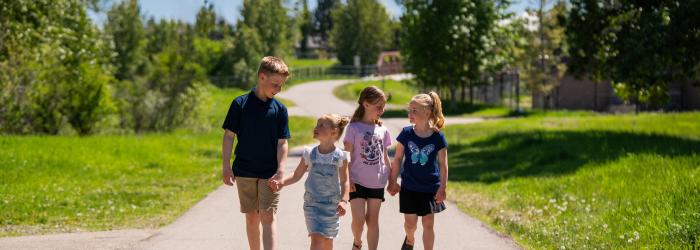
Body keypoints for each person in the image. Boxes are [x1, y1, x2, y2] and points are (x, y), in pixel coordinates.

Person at [221, 56, 290, 250]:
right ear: (261, 77)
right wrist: (226, 166)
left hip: (270, 172)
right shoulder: (239, 104)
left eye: (282, 85)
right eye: (275, 84)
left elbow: (282, 143)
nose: (278, 89)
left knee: (268, 215)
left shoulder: (280, 110)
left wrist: (281, 170)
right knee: (252, 217)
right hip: (244, 170)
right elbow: (228, 137)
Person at [275, 114, 351, 250]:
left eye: (321, 125)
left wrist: (344, 201)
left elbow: (345, 181)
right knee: (316, 238)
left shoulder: (340, 156)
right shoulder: (309, 154)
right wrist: (282, 182)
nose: (316, 127)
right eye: (317, 124)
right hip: (312, 205)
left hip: (331, 206)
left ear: (334, 131)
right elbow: (296, 174)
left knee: (327, 241)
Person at [388, 92, 448, 250]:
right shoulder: (406, 133)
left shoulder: (437, 137)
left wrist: (442, 187)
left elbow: (443, 163)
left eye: (415, 110)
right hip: (409, 186)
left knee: (428, 224)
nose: (410, 114)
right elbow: (398, 159)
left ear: (427, 112)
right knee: (410, 224)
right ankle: (410, 240)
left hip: (430, 187)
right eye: (409, 110)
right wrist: (392, 181)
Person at [343, 86, 392, 250]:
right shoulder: (353, 128)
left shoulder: (383, 130)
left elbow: (385, 157)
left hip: (377, 182)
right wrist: (347, 179)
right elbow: (346, 157)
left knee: (372, 220)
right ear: (366, 104)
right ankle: (357, 242)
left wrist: (391, 179)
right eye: (379, 106)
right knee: (359, 221)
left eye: (383, 106)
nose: (382, 110)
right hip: (356, 181)